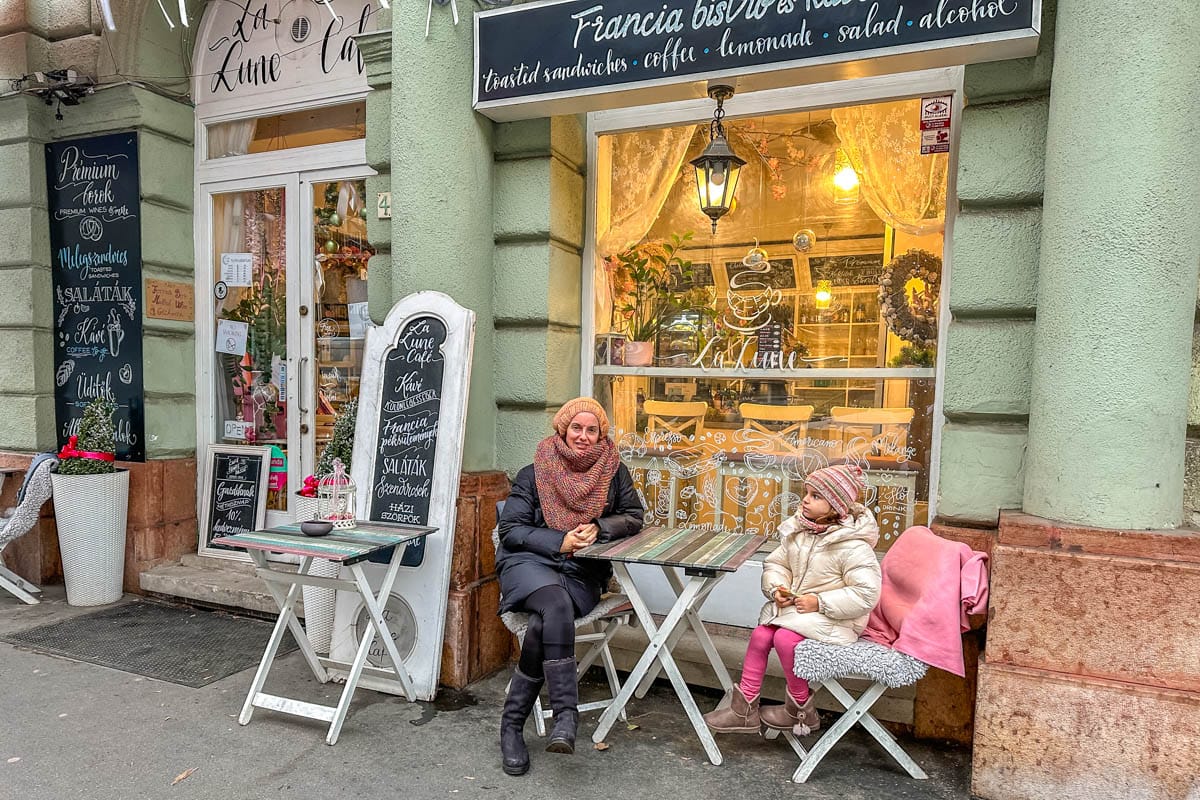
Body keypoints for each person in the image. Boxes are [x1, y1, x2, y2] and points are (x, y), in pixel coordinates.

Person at [495, 397, 644, 776]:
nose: (583, 436)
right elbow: (510, 531)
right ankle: (565, 716)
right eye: (576, 428)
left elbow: (634, 517)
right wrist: (557, 541)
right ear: (563, 429)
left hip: (581, 572)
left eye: (591, 430)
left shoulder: (614, 472)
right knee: (554, 606)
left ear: (600, 435)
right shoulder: (535, 471)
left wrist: (601, 528)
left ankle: (511, 726)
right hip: (531, 564)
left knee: (546, 621)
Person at [703, 464, 881, 736]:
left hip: (837, 618)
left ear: (836, 507)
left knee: (785, 638)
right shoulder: (799, 532)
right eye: (806, 493)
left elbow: (865, 594)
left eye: (816, 496)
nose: (806, 500)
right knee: (762, 635)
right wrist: (778, 588)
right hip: (800, 613)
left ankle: (800, 711)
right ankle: (744, 709)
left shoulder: (853, 547)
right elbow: (776, 564)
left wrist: (819, 602)